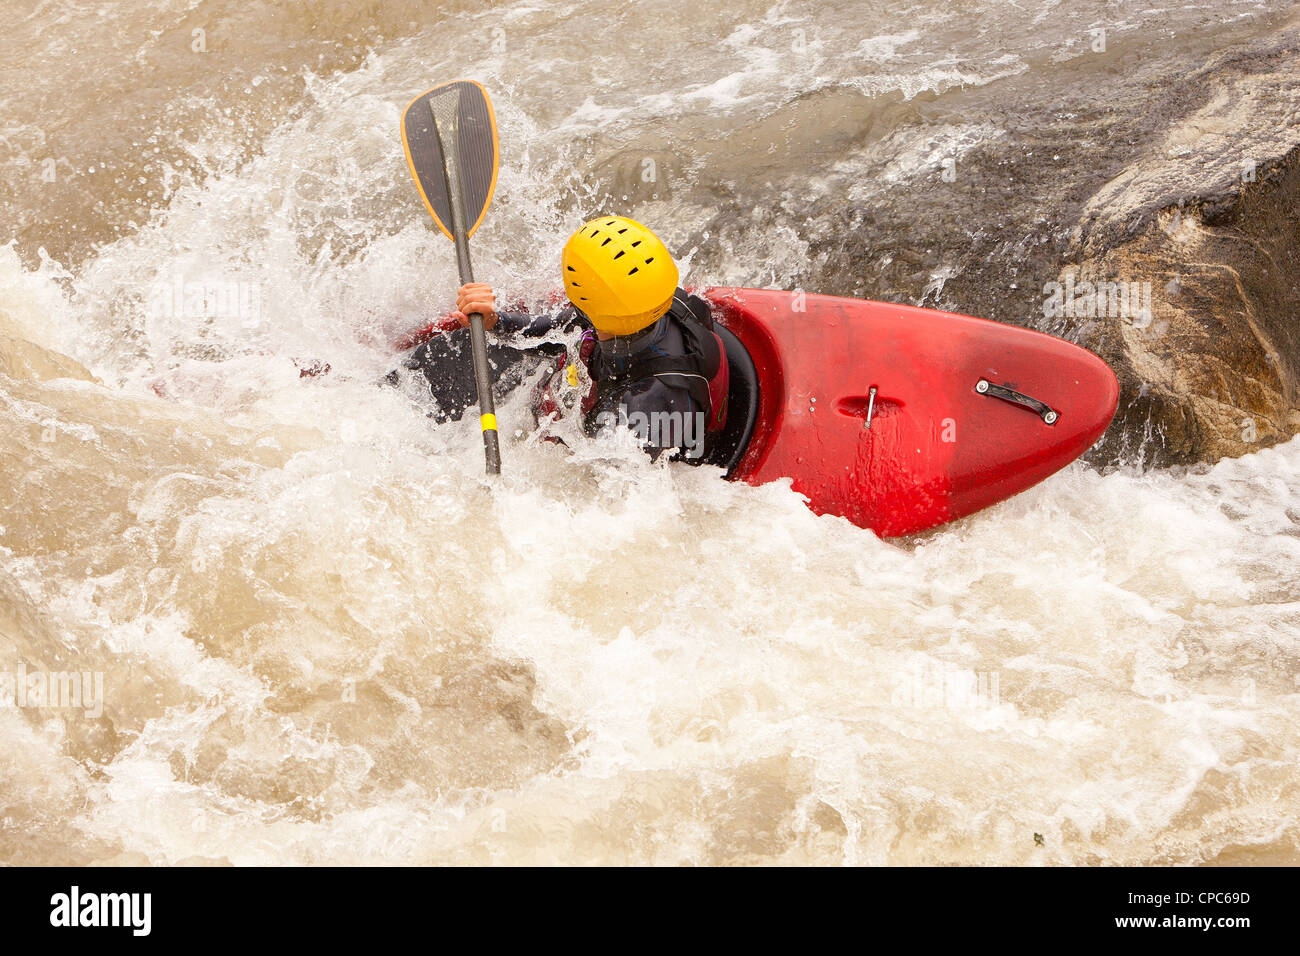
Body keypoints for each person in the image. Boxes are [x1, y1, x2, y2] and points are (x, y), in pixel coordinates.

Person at [394, 216, 730, 460]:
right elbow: (556, 328)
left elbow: (605, 493)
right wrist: (495, 321)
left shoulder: (641, 410)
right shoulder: (653, 300)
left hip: (666, 445)